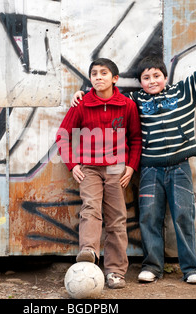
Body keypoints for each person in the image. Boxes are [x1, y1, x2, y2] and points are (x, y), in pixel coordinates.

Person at [71, 26, 196, 284]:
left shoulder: (184, 92)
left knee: (183, 215)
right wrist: (83, 93)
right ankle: (152, 265)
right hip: (149, 169)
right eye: (146, 78)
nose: (152, 81)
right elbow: (107, 96)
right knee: (149, 216)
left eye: (156, 76)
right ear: (140, 82)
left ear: (165, 76)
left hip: (180, 167)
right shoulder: (135, 100)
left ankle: (192, 268)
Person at [56, 58, 142, 289]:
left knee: (116, 218)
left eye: (104, 73)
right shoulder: (82, 104)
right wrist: (72, 164)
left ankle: (115, 271)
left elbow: (135, 139)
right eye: (94, 73)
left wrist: (131, 166)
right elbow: (63, 135)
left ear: (115, 79)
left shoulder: (126, 105)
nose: (98, 77)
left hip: (117, 168)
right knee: (91, 209)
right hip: (89, 168)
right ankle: (89, 255)